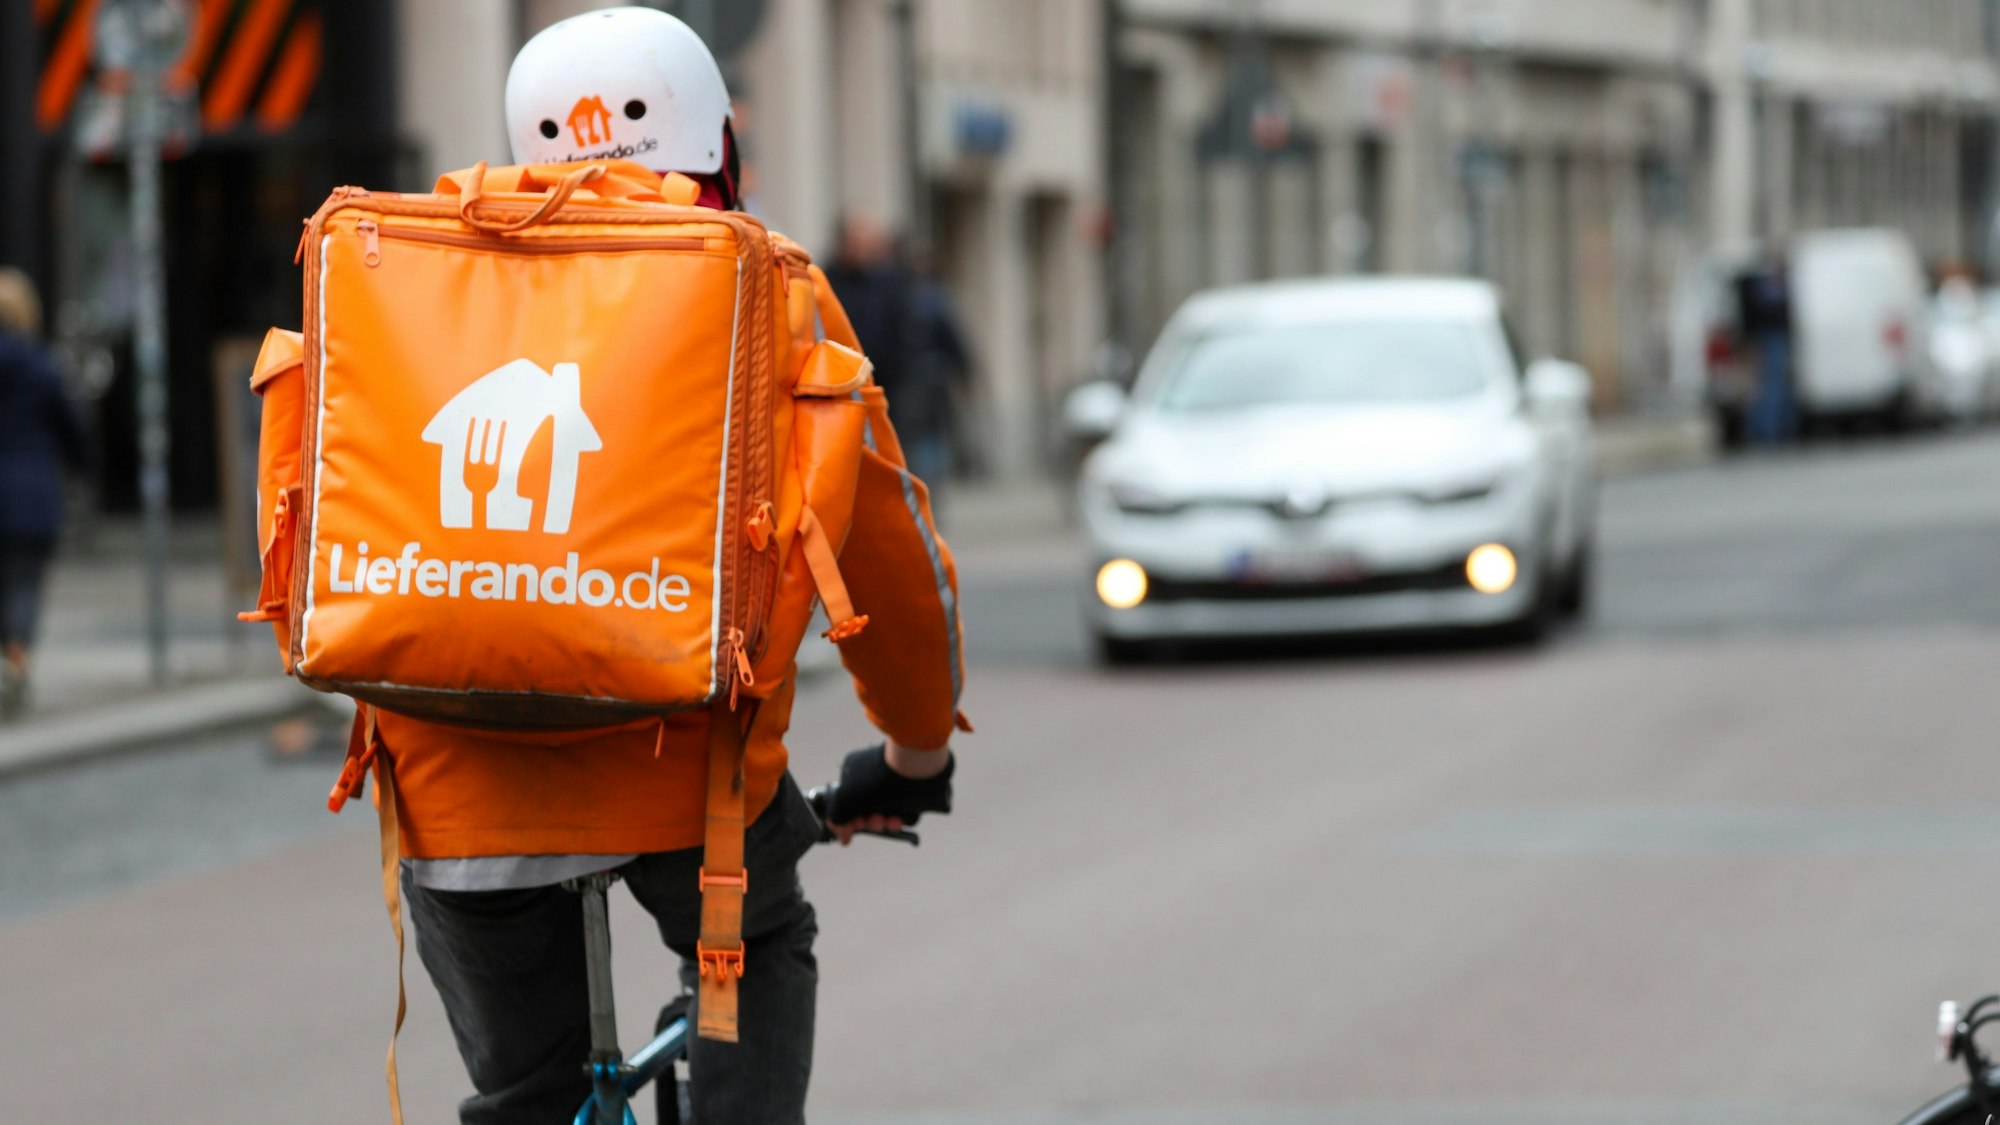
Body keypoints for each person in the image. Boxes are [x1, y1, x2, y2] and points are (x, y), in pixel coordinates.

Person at [383, 11, 964, 1124]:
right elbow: (889, 563)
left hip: (457, 788)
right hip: (689, 790)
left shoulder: (418, 279)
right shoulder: (773, 290)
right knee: (758, 938)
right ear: (718, 148)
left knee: (529, 1093)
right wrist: (913, 749)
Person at [0, 267, 89, 719]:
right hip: (31, 496)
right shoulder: (41, 366)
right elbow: (71, 428)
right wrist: (81, 467)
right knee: (24, 585)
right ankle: (15, 665)